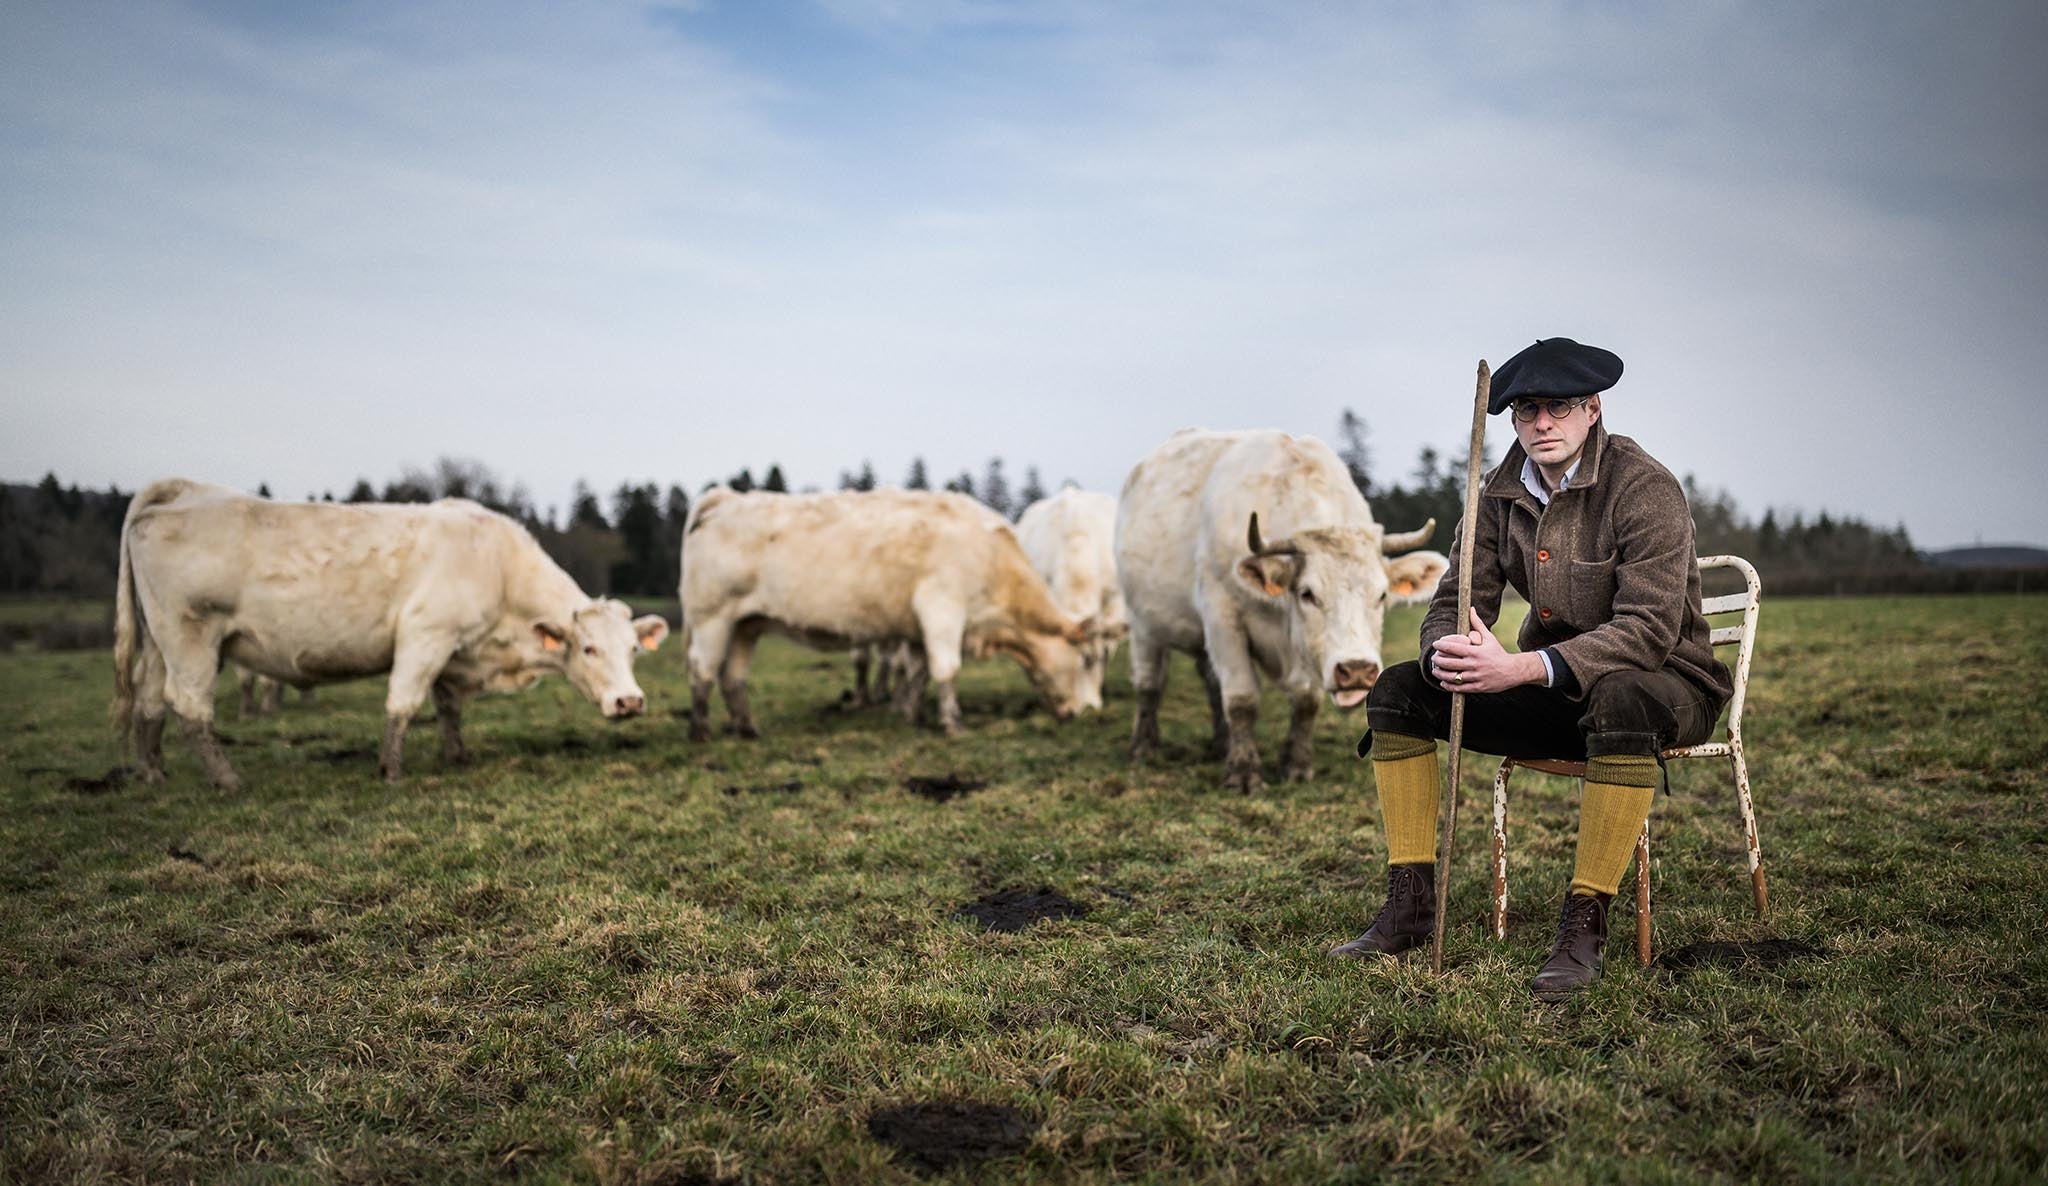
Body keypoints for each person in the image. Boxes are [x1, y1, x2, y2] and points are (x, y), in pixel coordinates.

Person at [1330, 337, 1733, 998]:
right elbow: (1453, 602)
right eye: (1525, 411)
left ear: (1593, 409)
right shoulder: (1496, 494)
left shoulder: (1642, 486)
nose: (1542, 423)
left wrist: (1520, 669)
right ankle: (1408, 909)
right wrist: (1448, 652)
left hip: (1668, 684)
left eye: (1560, 407)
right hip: (1554, 694)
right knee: (1400, 689)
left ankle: (1585, 926)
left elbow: (1649, 629)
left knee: (1622, 699)